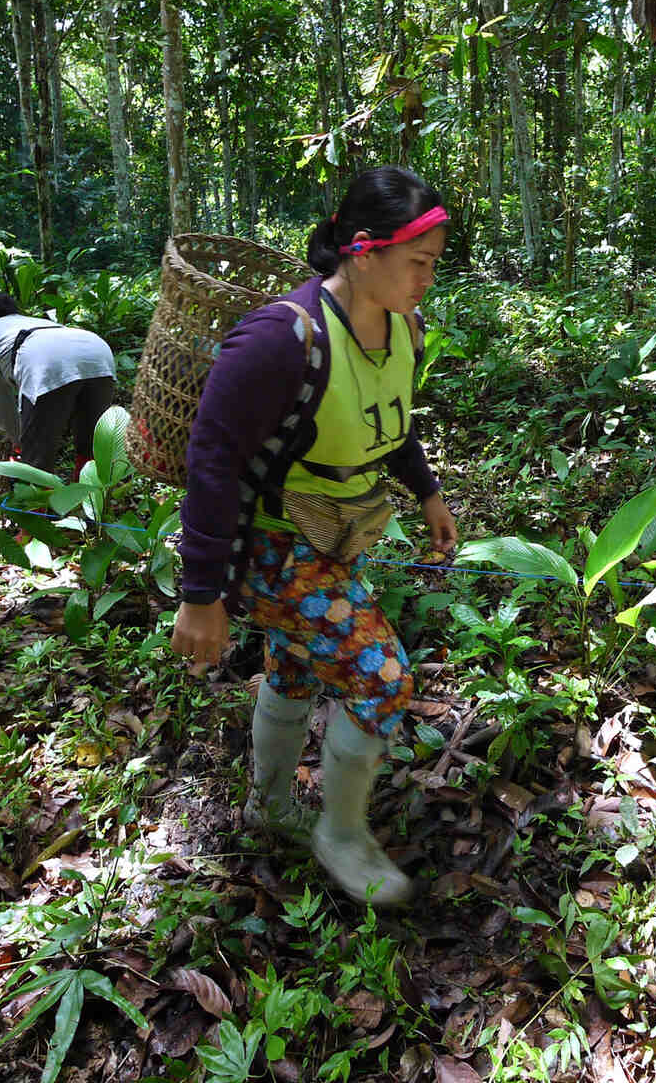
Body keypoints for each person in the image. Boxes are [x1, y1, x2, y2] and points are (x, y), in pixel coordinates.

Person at [173, 165, 458, 907]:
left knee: (297, 668)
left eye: (433, 266)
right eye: (418, 264)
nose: (427, 280)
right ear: (363, 252)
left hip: (332, 542)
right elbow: (212, 460)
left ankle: (269, 806)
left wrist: (427, 491)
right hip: (266, 552)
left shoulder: (404, 329)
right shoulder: (280, 339)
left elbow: (390, 417)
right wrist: (200, 595)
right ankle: (338, 833)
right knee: (383, 678)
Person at [0, 294, 118, 477]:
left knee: (37, 454)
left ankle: (38, 502)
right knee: (92, 441)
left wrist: (12, 441)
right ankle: (92, 498)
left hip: (48, 360)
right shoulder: (31, 321)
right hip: (98, 351)